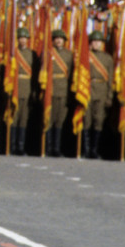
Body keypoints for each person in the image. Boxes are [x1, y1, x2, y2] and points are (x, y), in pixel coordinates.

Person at [82, 31, 113, 159]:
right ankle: (86, 149)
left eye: (98, 41)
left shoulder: (107, 58)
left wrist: (109, 96)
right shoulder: (85, 56)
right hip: (87, 90)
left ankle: (94, 150)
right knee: (86, 120)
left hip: (101, 91)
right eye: (94, 41)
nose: (96, 43)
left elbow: (110, 80)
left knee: (98, 121)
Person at [44, 28, 73, 157]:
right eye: (56, 38)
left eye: (61, 38)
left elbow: (72, 74)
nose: (59, 40)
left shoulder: (68, 55)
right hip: (50, 90)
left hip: (63, 90)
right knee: (49, 119)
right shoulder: (47, 53)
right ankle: (47, 147)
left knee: (59, 120)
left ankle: (56, 148)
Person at [6, 27, 35, 155]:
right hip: (16, 88)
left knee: (24, 118)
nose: (23, 40)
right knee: (14, 117)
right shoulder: (13, 53)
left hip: (27, 88)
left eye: (25, 38)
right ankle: (11, 146)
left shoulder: (32, 54)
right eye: (20, 38)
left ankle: (20, 146)